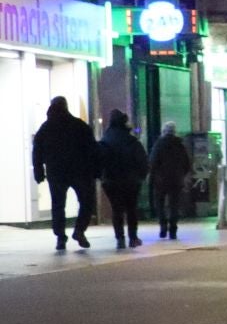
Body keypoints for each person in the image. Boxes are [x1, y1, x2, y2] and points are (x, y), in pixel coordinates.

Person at [32, 97, 97, 251]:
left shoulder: (46, 128)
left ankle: (60, 237)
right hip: (80, 172)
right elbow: (92, 149)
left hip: (56, 173)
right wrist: (95, 170)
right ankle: (79, 230)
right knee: (87, 202)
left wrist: (39, 171)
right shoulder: (79, 125)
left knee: (58, 205)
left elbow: (37, 152)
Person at [98, 111, 149, 250]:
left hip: (111, 181)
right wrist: (142, 176)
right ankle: (133, 237)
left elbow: (99, 160)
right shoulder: (131, 141)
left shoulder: (105, 140)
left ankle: (120, 238)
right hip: (131, 180)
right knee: (131, 209)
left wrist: (100, 176)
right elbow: (142, 160)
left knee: (117, 209)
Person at [149, 123, 193, 240]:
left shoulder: (158, 144)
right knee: (174, 205)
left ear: (163, 131)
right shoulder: (180, 145)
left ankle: (163, 225)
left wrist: (153, 177)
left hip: (160, 180)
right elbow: (187, 164)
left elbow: (153, 162)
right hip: (176, 179)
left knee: (159, 203)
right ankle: (173, 229)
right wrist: (181, 175)